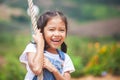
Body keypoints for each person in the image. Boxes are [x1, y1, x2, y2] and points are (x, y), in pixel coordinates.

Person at [19, 10, 75, 80]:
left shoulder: (65, 58)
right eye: (51, 29)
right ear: (41, 31)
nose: (57, 34)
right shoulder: (32, 49)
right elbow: (37, 69)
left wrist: (54, 69)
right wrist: (40, 44)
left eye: (61, 30)